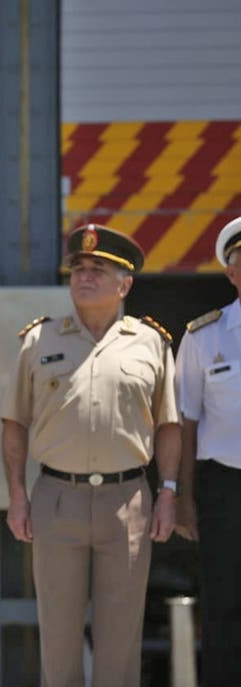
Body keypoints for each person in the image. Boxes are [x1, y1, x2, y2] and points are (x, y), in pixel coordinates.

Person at [1, 224, 180, 687]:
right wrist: (18, 495)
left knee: (120, 642)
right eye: (78, 268)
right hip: (58, 497)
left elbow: (168, 425)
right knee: (58, 639)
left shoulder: (151, 343)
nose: (84, 276)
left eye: (98, 269)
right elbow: (14, 423)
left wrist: (168, 493)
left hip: (129, 502)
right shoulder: (38, 341)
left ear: (125, 284)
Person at [174, 216, 241, 685]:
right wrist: (181, 497)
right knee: (224, 606)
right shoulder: (204, 336)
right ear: (231, 273)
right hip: (225, 489)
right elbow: (186, 424)